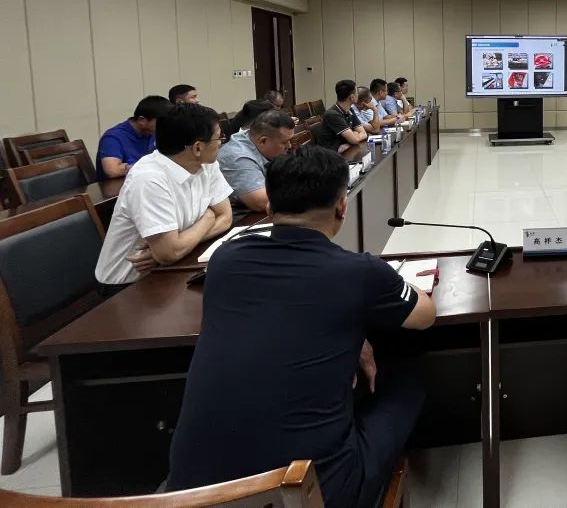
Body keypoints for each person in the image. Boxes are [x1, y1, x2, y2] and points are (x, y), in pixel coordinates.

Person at [167, 146, 436, 508]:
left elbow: (282, 312)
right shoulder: (360, 272)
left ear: (268, 207)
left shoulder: (226, 260)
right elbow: (425, 315)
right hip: (311, 493)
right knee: (408, 371)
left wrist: (353, 335)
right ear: (342, 207)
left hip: (193, 494)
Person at [95, 104, 232, 290]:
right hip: (128, 285)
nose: (221, 143)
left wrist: (179, 245)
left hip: (174, 266)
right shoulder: (149, 179)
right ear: (198, 147)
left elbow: (225, 217)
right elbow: (169, 253)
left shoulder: (207, 164)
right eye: (219, 137)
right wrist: (208, 217)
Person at [218, 110, 295, 214]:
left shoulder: (256, 139)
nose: (289, 146)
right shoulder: (237, 156)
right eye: (284, 142)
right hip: (242, 217)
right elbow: (262, 202)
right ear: (262, 141)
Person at [95, 95, 171, 181]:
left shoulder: (154, 132)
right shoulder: (113, 137)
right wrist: (151, 165)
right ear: (142, 120)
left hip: (148, 181)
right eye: (161, 122)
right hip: (118, 186)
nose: (166, 126)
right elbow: (112, 171)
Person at [317, 80, 366, 152]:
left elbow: (364, 133)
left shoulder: (350, 110)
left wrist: (350, 141)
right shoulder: (333, 114)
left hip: (343, 150)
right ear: (352, 97)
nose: (358, 95)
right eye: (357, 93)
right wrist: (353, 137)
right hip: (329, 155)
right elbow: (354, 140)